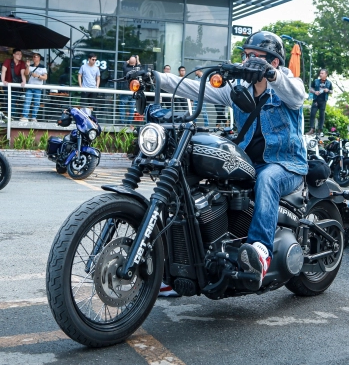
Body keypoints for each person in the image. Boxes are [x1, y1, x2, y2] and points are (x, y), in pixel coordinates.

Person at [157, 31, 307, 291]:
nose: (248, 61)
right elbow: (194, 87)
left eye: (256, 57)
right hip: (249, 163)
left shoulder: (286, 88)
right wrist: (155, 78)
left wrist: (272, 76)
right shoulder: (239, 91)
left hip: (286, 165)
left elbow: (296, 94)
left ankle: (260, 252)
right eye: (247, 56)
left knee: (267, 178)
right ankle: (183, 263)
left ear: (273, 62)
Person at [0, 48, 27, 120]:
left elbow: (22, 73)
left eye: (21, 54)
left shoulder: (22, 63)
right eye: (18, 54)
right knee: (8, 101)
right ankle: (9, 117)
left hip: (16, 85)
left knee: (13, 101)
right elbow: (3, 71)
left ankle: (12, 117)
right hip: (7, 85)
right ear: (13, 55)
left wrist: (24, 81)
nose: (20, 55)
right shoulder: (8, 61)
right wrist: (3, 80)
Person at [22, 52, 47, 122]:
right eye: (33, 57)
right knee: (27, 101)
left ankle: (33, 117)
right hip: (30, 87)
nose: (34, 58)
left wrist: (38, 76)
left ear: (39, 58)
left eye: (35, 56)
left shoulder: (43, 67)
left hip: (38, 88)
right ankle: (25, 116)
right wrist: (27, 66)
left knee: (36, 103)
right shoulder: (30, 66)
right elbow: (26, 73)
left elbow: (45, 78)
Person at [306, 69, 332, 135]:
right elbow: (310, 89)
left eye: (322, 73)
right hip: (316, 100)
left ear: (326, 74)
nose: (320, 74)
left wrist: (328, 90)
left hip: (323, 101)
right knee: (312, 114)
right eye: (320, 73)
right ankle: (312, 129)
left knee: (322, 115)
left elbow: (331, 91)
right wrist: (315, 92)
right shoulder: (316, 81)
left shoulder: (329, 83)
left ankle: (320, 130)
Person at [118, 55, 140, 124]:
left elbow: (126, 62)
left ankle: (122, 121)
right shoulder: (137, 69)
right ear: (135, 62)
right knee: (132, 107)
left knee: (122, 105)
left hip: (125, 90)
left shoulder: (125, 68)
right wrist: (137, 59)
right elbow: (139, 65)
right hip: (133, 90)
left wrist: (130, 60)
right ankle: (129, 122)